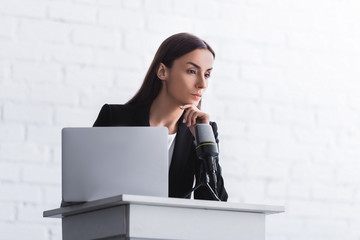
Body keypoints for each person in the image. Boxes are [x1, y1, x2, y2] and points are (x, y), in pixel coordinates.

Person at [62, 33, 227, 207]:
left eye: (207, 74)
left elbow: (214, 203)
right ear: (163, 71)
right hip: (118, 227)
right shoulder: (116, 118)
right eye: (192, 71)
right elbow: (79, 195)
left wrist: (203, 139)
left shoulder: (203, 130)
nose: (202, 84)